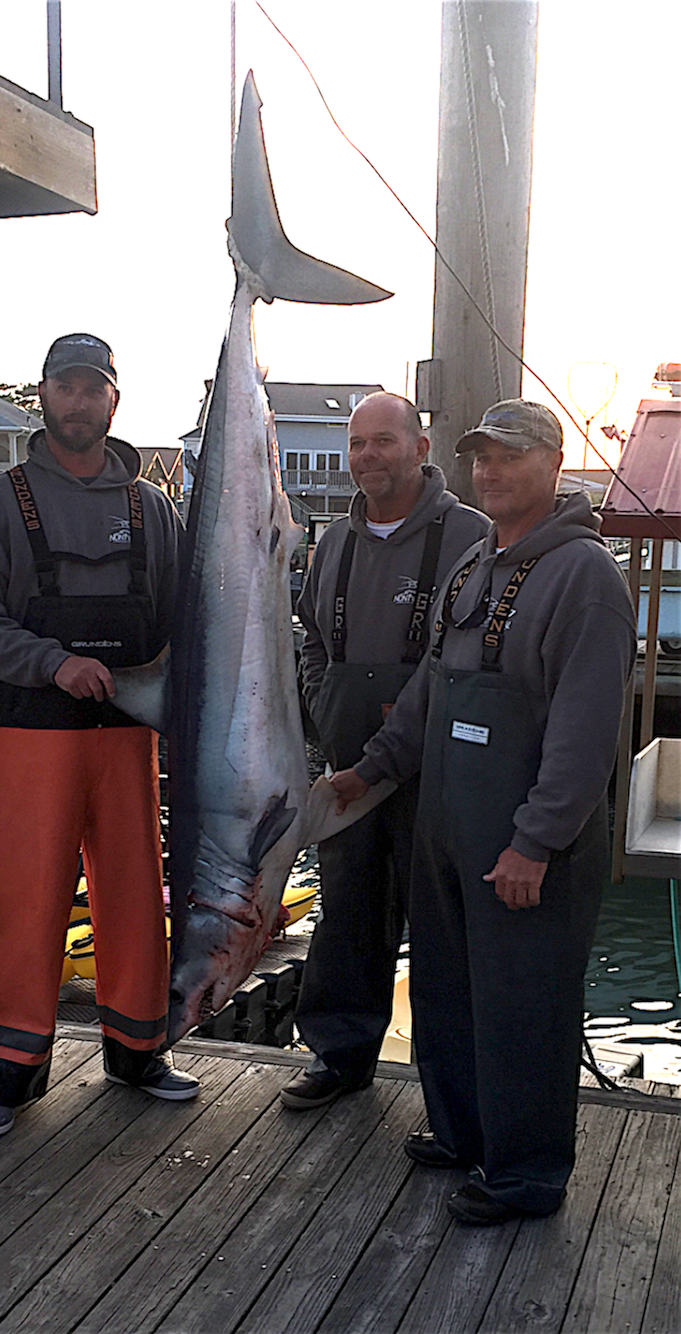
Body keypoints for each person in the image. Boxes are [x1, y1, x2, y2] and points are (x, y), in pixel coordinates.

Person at [331, 399, 636, 1224]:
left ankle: (526, 1174)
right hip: (447, 827)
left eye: (511, 455)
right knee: (446, 990)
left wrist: (536, 842)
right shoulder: (473, 565)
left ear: (554, 463)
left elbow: (584, 733)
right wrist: (369, 771)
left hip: (525, 845)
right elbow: (428, 693)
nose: (491, 471)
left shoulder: (586, 577)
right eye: (481, 457)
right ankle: (464, 1131)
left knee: (524, 1006)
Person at [0, 333, 199, 1137]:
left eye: (94, 388)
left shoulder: (152, 508)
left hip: (130, 736)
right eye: (66, 386)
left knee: (135, 893)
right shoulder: (0, 503)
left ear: (113, 401)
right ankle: (9, 1076)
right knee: (23, 898)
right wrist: (52, 664)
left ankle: (139, 1052)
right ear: (43, 396)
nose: (79, 401)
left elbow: (184, 624)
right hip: (34, 737)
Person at [280, 391, 490, 1110]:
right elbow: (312, 638)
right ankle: (339, 1057)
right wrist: (321, 703)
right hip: (349, 767)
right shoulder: (334, 540)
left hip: (437, 771)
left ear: (420, 449)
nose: (368, 456)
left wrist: (389, 748)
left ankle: (450, 1095)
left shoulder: (471, 537)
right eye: (357, 443)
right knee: (347, 912)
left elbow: (461, 664)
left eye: (384, 441)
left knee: (442, 927)